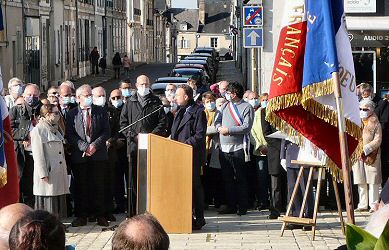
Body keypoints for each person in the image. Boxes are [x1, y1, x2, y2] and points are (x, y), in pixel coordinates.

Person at [120, 75, 167, 216]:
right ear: (136, 85)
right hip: (134, 148)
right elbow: (123, 124)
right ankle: (134, 212)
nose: (144, 87)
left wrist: (151, 136)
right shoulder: (130, 102)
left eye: (146, 84)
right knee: (134, 181)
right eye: (141, 84)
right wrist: (134, 137)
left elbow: (162, 122)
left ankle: (152, 211)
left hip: (152, 146)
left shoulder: (156, 101)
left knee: (151, 180)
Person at [66, 84, 110, 227]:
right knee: (81, 187)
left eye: (91, 95)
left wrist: (95, 146)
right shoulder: (72, 114)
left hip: (98, 155)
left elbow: (106, 132)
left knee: (99, 186)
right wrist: (84, 147)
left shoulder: (101, 111)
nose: (90, 98)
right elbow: (70, 134)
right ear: (78, 98)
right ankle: (81, 216)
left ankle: (100, 215)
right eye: (87, 95)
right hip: (81, 156)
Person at [215, 82, 254, 216]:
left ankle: (242, 206)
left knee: (240, 178)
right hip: (224, 148)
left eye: (228, 92)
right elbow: (217, 120)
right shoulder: (225, 105)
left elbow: (246, 127)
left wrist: (229, 130)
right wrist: (219, 128)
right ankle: (231, 204)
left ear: (234, 93)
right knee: (227, 179)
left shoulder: (247, 107)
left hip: (239, 148)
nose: (226, 95)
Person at [171, 84, 207, 229]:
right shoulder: (179, 111)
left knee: (194, 187)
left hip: (191, 155)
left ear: (186, 97)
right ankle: (183, 215)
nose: (174, 98)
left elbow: (199, 135)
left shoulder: (198, 112)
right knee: (181, 187)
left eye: (177, 95)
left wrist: (183, 145)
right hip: (177, 156)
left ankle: (199, 218)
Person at [31, 104, 69, 219]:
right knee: (49, 199)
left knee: (58, 198)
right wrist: (43, 174)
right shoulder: (39, 130)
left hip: (58, 172)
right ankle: (49, 223)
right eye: (56, 113)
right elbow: (38, 155)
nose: (58, 116)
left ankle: (59, 222)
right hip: (48, 172)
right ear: (47, 115)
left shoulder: (56, 128)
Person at [10, 84, 42, 208]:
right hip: (22, 154)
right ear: (23, 96)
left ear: (39, 95)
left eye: (34, 95)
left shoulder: (44, 109)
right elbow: (9, 130)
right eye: (29, 95)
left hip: (40, 153)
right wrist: (25, 135)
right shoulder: (16, 110)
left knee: (36, 185)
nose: (31, 98)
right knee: (24, 184)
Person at [353, 99, 382, 212]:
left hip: (372, 154)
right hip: (357, 155)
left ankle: (373, 205)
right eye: (360, 109)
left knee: (373, 180)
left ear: (371, 110)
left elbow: (378, 140)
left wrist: (365, 149)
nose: (362, 111)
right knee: (360, 179)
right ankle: (362, 204)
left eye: (365, 109)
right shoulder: (356, 121)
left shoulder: (376, 123)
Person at [280, 139, 313, 230]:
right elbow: (284, 136)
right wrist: (282, 156)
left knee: (305, 189)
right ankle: (296, 217)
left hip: (305, 154)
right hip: (291, 154)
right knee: (293, 189)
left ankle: (308, 217)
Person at [203, 92, 225, 210]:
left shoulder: (219, 113)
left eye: (211, 101)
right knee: (205, 177)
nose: (210, 103)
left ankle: (218, 201)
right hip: (204, 149)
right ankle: (206, 200)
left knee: (216, 176)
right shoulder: (202, 113)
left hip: (215, 148)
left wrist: (206, 130)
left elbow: (218, 128)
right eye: (207, 102)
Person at [108, 89, 128, 214]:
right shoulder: (108, 111)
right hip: (114, 150)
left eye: (118, 97)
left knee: (129, 179)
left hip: (127, 148)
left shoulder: (127, 108)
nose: (116, 100)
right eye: (114, 98)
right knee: (117, 180)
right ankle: (119, 204)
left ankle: (131, 204)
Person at [250, 93, 270, 211]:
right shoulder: (256, 114)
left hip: (272, 150)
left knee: (273, 178)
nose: (265, 102)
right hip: (260, 151)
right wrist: (260, 146)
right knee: (261, 178)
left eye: (267, 100)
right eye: (263, 100)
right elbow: (252, 132)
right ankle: (263, 201)